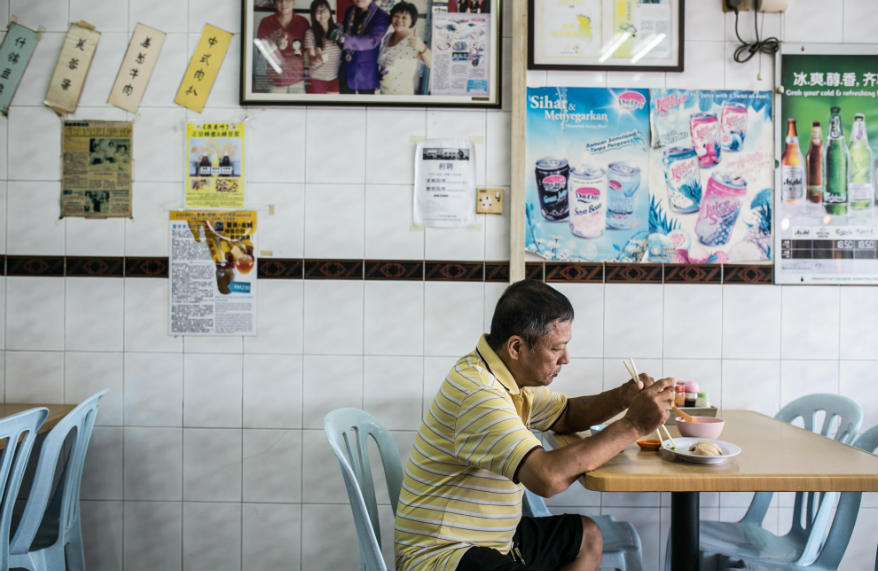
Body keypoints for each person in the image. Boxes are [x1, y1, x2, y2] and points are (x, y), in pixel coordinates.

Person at [394, 279, 675, 571]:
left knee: (587, 537)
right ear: (516, 347)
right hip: (444, 553)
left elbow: (565, 414)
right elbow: (547, 478)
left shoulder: (507, 376)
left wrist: (624, 396)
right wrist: (633, 426)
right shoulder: (479, 393)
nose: (566, 359)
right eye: (556, 349)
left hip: (492, 540)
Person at [330, 0, 389, 94]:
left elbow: (372, 41)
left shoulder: (381, 16)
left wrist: (345, 40)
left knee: (366, 107)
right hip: (346, 70)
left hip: (365, 74)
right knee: (345, 106)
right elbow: (346, 32)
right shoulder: (350, 10)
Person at [376, 1, 431, 95]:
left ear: (412, 21)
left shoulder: (413, 41)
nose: (399, 20)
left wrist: (422, 48)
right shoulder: (388, 37)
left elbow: (432, 64)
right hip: (382, 94)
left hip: (401, 96)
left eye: (404, 18)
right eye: (396, 16)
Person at [256, 0, 310, 93]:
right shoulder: (266, 22)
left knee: (298, 108)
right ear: (275, 3)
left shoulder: (303, 22)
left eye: (288, 0)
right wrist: (275, 44)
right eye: (280, 1)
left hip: (298, 80)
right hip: (276, 81)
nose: (284, 4)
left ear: (294, 2)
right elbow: (260, 53)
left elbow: (306, 51)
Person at [303, 0, 342, 93]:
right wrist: (318, 59)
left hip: (335, 78)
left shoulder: (339, 29)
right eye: (318, 11)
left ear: (329, 11)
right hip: (317, 78)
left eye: (324, 10)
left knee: (334, 107)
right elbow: (311, 59)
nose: (322, 14)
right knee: (317, 107)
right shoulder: (310, 33)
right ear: (313, 15)